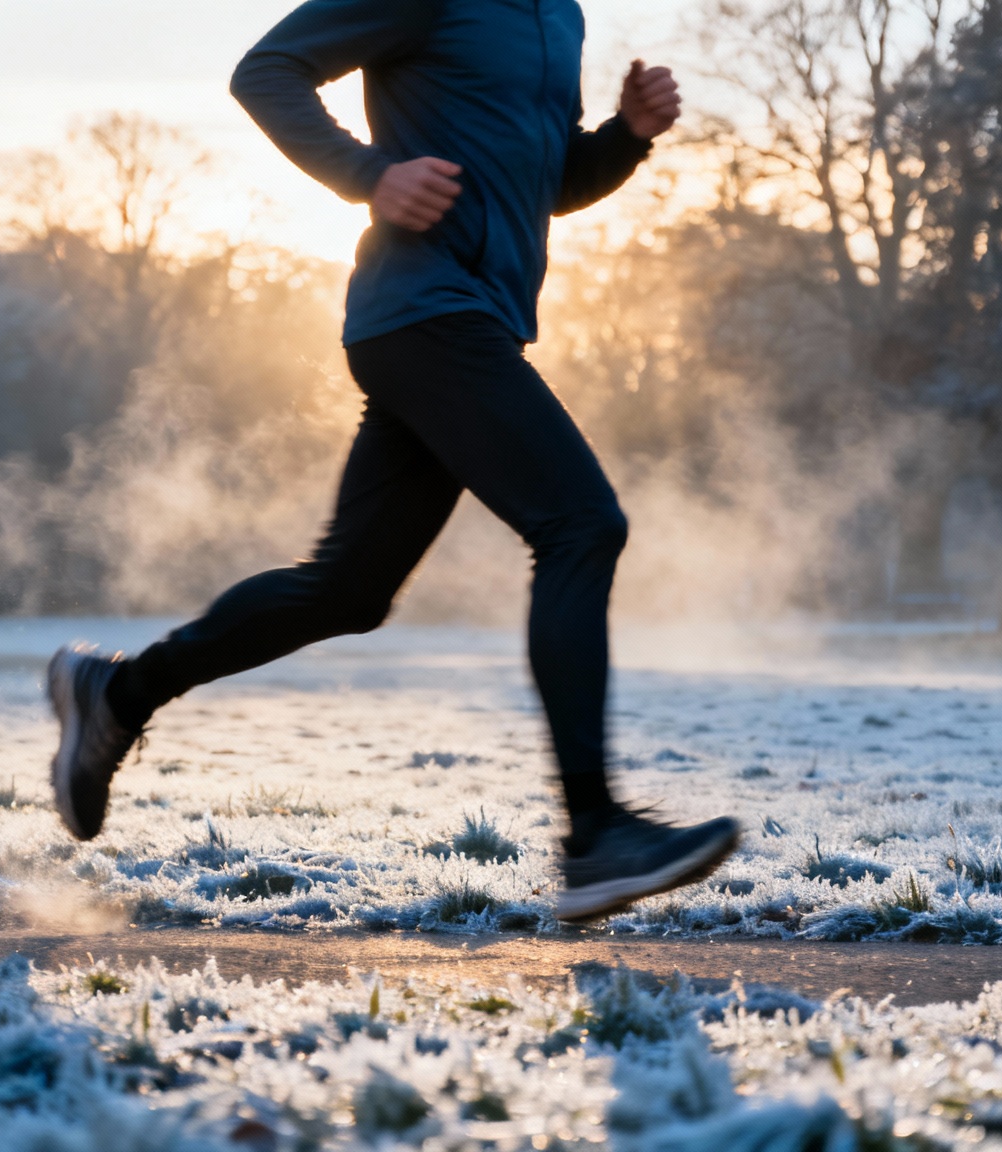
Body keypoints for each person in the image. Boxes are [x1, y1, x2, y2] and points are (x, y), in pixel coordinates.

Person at [47, 0, 739, 922]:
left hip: (471, 322)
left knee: (347, 591)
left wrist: (627, 136)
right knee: (580, 525)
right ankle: (595, 835)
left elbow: (544, 182)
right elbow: (267, 70)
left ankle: (116, 693)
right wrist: (369, 175)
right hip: (424, 316)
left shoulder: (558, 16)